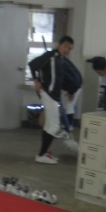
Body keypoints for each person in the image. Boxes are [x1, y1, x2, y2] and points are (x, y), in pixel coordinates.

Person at [29, 35, 75, 165]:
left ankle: (43, 154)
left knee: (50, 125)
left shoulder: (60, 59)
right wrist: (36, 81)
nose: (67, 50)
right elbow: (32, 64)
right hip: (48, 94)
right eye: (65, 46)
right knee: (54, 126)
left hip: (54, 95)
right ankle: (41, 155)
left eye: (70, 48)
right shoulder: (50, 56)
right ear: (59, 45)